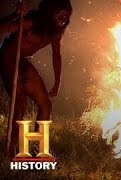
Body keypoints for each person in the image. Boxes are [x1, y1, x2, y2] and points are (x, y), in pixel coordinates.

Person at [0, 0, 72, 154]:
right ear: (50, 13)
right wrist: (15, 14)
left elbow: (56, 54)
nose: (64, 19)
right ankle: (11, 148)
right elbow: (1, 29)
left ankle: (39, 150)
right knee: (20, 103)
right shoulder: (30, 21)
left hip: (22, 61)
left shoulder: (56, 32)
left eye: (67, 16)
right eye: (61, 15)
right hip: (7, 56)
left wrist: (57, 81)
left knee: (46, 105)